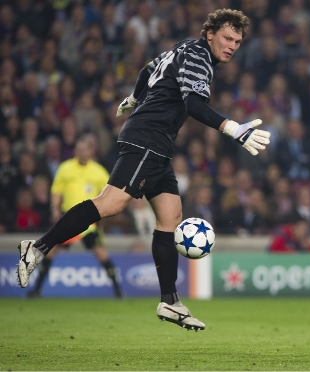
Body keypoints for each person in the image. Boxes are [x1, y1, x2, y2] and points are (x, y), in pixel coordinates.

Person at [16, 9, 270, 332]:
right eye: (227, 37)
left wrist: (134, 98)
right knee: (111, 203)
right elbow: (193, 104)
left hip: (158, 143)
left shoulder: (182, 48)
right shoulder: (199, 57)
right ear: (210, 34)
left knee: (170, 215)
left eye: (237, 41)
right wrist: (233, 128)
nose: (232, 45)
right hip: (147, 137)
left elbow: (147, 69)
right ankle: (37, 247)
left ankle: (170, 301)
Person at [27, 138, 122, 298]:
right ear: (75, 151)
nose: (82, 153)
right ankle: (37, 290)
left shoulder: (98, 171)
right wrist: (55, 208)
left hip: (89, 223)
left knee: (101, 253)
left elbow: (108, 195)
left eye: (85, 150)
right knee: (51, 251)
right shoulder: (66, 168)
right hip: (69, 220)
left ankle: (118, 291)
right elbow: (57, 190)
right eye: (79, 150)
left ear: (90, 151)